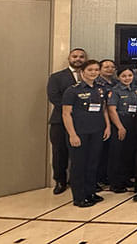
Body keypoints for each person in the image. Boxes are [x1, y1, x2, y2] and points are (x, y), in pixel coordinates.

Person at [62, 60, 110, 207]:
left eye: (96, 70)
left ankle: (90, 192)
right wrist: (72, 134)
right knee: (79, 165)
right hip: (79, 133)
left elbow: (104, 109)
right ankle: (79, 197)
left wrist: (107, 126)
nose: (93, 72)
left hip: (96, 131)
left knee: (93, 163)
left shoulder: (101, 89)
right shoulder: (72, 90)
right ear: (82, 72)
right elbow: (66, 114)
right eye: (90, 70)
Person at [47, 47, 87, 194]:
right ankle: (60, 181)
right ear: (69, 58)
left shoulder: (89, 76)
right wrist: (71, 110)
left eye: (81, 57)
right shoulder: (56, 77)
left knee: (81, 153)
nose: (78, 59)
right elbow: (54, 97)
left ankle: (80, 180)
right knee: (60, 152)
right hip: (60, 121)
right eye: (75, 56)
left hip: (83, 122)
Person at [107, 67, 137, 193]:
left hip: (133, 122)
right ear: (118, 77)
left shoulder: (136, 89)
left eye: (129, 75)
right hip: (119, 122)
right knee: (117, 153)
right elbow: (111, 110)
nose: (127, 78)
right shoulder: (115, 91)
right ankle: (115, 183)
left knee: (129, 152)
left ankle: (126, 178)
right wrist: (120, 127)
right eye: (124, 76)